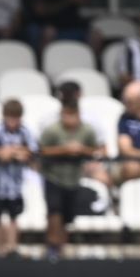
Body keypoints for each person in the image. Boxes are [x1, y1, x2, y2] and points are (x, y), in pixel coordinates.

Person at [37, 100, 107, 262]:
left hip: (74, 179)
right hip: (53, 177)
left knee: (67, 216)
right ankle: (52, 247)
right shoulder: (52, 130)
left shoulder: (87, 130)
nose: (69, 119)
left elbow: (98, 150)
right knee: (54, 212)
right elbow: (40, 151)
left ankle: (61, 247)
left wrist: (82, 150)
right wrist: (64, 150)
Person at [0, 98, 36, 258]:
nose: (13, 122)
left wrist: (13, 152)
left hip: (15, 185)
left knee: (14, 217)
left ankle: (12, 248)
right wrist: (6, 153)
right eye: (10, 118)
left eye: (16, 118)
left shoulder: (24, 131)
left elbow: (32, 151)